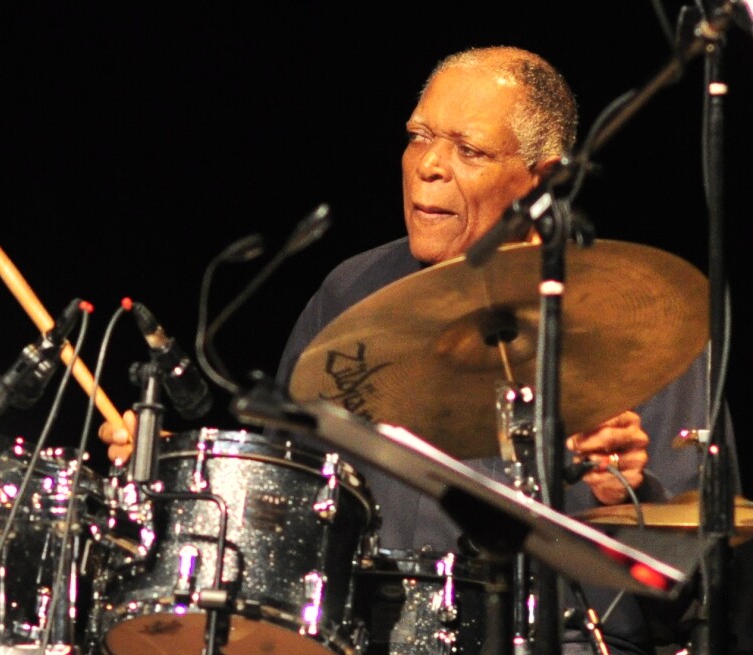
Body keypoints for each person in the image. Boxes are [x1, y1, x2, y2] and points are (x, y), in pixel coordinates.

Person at [100, 46, 741, 654]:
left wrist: (626, 492)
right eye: (418, 136)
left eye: (469, 149)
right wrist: (173, 478)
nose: (429, 164)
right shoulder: (350, 292)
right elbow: (279, 504)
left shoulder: (645, 316)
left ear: (543, 179)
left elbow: (707, 584)